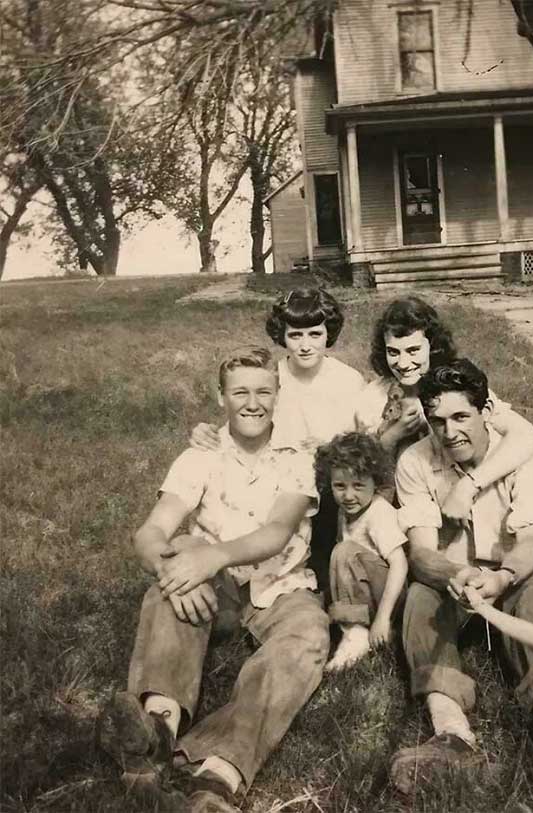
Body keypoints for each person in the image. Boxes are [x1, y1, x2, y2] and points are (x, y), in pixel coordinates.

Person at [97, 347, 330, 813]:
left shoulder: (296, 457)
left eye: (264, 391)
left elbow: (276, 532)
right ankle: (156, 729)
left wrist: (206, 557)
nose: (252, 402)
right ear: (219, 396)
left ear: (278, 395)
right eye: (240, 391)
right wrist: (176, 570)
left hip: (280, 583)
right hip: (217, 583)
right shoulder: (199, 455)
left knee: (307, 638)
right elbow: (151, 531)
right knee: (167, 593)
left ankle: (218, 773)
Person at [389, 359, 533, 794]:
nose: (449, 432)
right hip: (454, 578)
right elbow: (420, 552)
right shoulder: (413, 461)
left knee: (531, 590)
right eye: (437, 421)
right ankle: (451, 734)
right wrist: (454, 572)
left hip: (509, 571)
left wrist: (503, 577)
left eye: (460, 417)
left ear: (486, 412)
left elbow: (530, 542)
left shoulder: (524, 456)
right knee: (419, 597)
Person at [190, 288, 365, 593]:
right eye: (296, 335)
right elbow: (243, 420)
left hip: (335, 483)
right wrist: (204, 432)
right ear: (282, 336)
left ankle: (330, 583)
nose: (306, 345)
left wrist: (330, 448)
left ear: (329, 334)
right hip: (282, 485)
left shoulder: (349, 381)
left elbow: (363, 443)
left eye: (315, 334)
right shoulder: (273, 377)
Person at [354, 296, 533, 520]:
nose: (403, 364)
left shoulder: (453, 388)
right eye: (393, 352)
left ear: (432, 347)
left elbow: (527, 436)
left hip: (450, 495)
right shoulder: (372, 397)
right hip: (388, 504)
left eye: (413, 350)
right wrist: (395, 435)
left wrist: (469, 486)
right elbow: (357, 469)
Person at [314, 432, 408, 671]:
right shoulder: (344, 511)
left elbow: (399, 564)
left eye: (358, 485)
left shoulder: (378, 513)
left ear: (375, 482)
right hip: (367, 589)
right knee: (340, 554)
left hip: (391, 594)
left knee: (343, 551)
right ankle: (354, 628)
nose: (348, 495)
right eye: (339, 486)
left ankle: (356, 633)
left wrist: (383, 618)